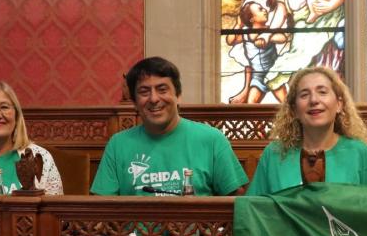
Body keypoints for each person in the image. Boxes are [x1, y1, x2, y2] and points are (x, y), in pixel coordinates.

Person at [91, 56, 249, 196]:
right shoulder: (118, 144)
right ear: (135, 103)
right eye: (144, 92)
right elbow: (101, 209)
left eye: (162, 90)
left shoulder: (212, 140)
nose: (154, 99)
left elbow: (236, 201)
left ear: (178, 96)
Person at [247, 66, 367, 195]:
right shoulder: (274, 154)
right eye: (304, 95)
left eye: (322, 92)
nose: (313, 100)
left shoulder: (360, 153)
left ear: (339, 104)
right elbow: (253, 207)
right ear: (294, 110)